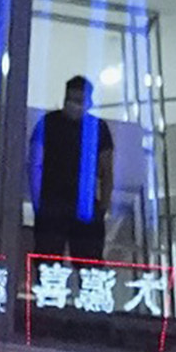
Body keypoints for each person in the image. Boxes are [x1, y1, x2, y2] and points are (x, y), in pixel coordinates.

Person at [31, 76, 118, 266]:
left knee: (52, 267)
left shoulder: (48, 123)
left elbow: (35, 165)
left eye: (79, 100)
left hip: (57, 206)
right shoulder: (96, 127)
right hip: (68, 206)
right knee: (85, 268)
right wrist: (102, 206)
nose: (74, 105)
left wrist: (38, 203)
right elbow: (107, 172)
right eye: (72, 100)